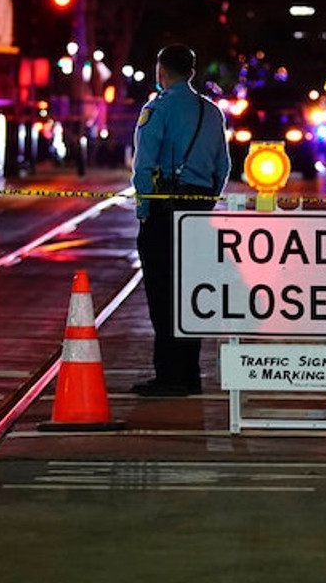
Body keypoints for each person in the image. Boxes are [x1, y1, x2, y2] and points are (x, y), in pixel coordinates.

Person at [131, 44, 231, 397]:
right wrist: (207, 201)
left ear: (161, 71)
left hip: (165, 208)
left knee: (162, 292)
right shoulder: (212, 112)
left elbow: (143, 167)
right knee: (192, 293)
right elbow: (224, 166)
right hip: (199, 208)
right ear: (191, 72)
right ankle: (190, 373)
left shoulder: (156, 109)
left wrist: (145, 211)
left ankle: (169, 375)